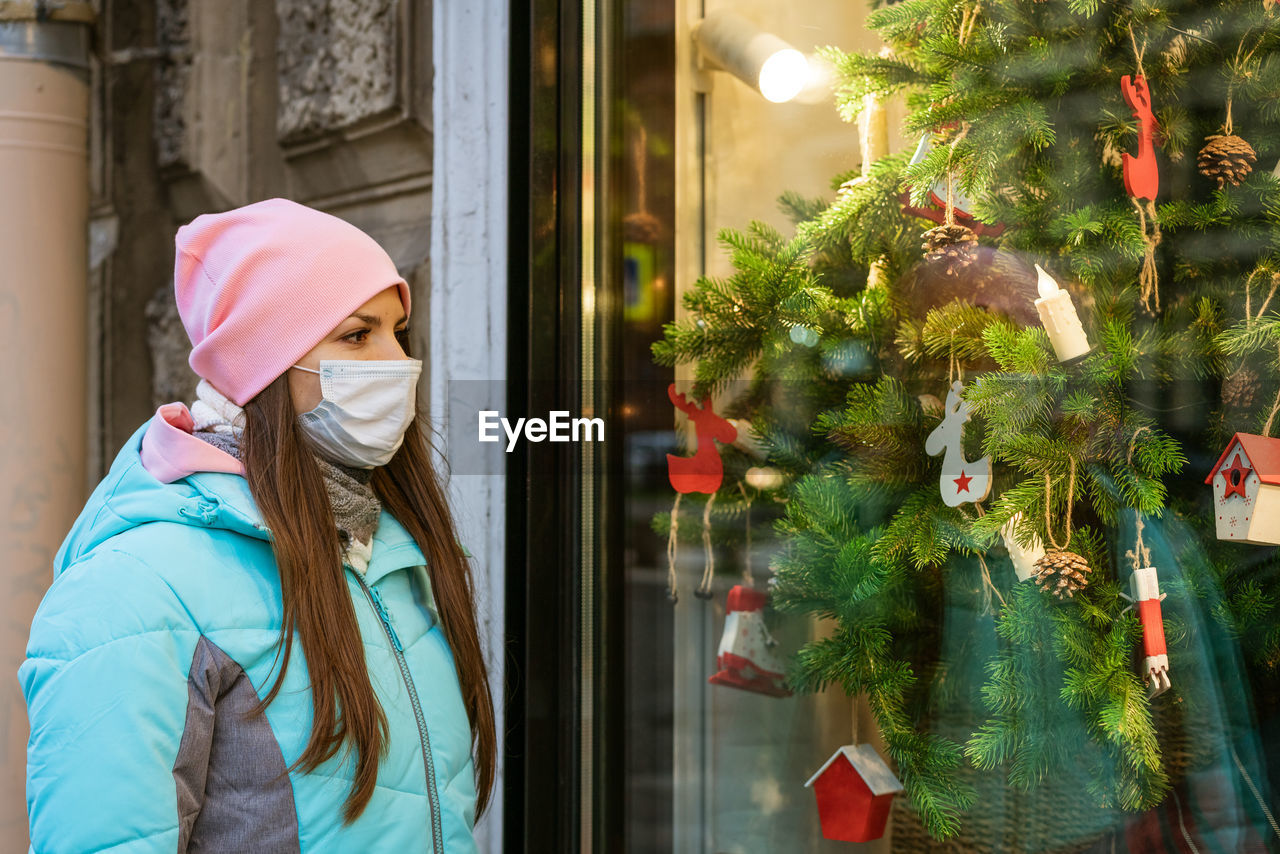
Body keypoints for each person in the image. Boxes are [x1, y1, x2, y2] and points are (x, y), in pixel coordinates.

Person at [18, 198, 495, 853]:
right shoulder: (140, 587)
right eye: (358, 334)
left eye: (398, 331)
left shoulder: (383, 549)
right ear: (260, 361)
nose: (397, 362)